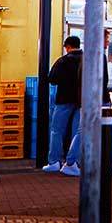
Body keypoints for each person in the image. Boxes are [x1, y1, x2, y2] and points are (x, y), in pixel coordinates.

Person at [44, 36, 83, 176]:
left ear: (67, 46)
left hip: (63, 100)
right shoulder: (86, 59)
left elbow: (52, 79)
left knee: (56, 130)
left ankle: (54, 161)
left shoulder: (63, 60)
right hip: (81, 101)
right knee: (76, 133)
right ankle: (73, 163)